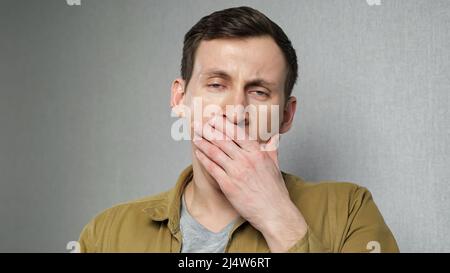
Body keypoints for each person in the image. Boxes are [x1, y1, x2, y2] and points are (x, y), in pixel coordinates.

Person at [79, 6, 399, 253]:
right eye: (217, 84)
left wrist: (277, 216)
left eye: (258, 91)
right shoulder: (108, 233)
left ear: (286, 115)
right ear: (179, 98)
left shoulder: (350, 210)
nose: (236, 110)